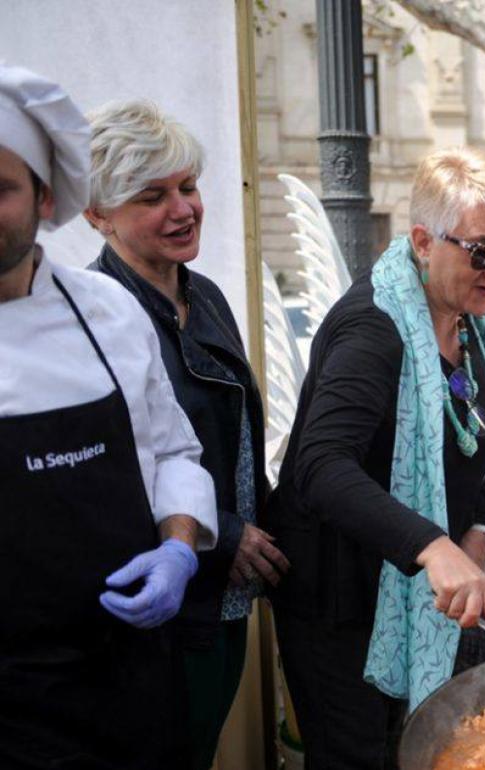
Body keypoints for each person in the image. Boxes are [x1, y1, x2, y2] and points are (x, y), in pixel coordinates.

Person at [268, 147, 485, 768]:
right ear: (423, 241)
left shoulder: (480, 326)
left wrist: (474, 534)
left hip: (414, 587)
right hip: (341, 600)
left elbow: (470, 448)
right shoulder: (373, 329)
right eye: (483, 250)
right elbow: (321, 466)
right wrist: (433, 548)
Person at [0, 64, 217, 768]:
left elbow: (177, 453)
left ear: (43, 197)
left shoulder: (109, 312)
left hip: (131, 673)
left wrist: (180, 549)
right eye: (154, 194)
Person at [81, 101, 279, 770]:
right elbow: (112, 474)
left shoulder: (209, 295)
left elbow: (239, 440)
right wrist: (224, 531)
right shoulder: (93, 319)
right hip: (167, 609)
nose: (183, 209)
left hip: (224, 597)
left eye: (187, 187)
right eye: (152, 197)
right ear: (97, 216)